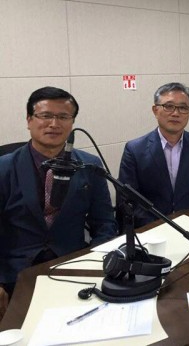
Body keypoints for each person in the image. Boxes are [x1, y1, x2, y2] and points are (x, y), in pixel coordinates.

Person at [0, 87, 117, 320]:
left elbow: (104, 222)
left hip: (73, 267)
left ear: (72, 123)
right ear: (29, 120)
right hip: (15, 274)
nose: (54, 124)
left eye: (63, 117)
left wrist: (97, 264)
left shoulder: (89, 166)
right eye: (45, 116)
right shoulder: (4, 168)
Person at [119, 82, 189, 228]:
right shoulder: (135, 150)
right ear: (155, 110)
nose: (176, 113)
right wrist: (159, 227)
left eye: (183, 108)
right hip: (151, 230)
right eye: (168, 106)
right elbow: (128, 201)